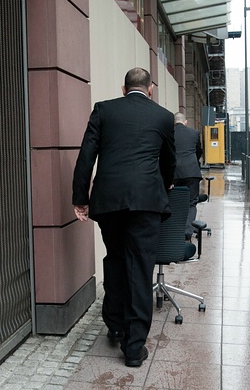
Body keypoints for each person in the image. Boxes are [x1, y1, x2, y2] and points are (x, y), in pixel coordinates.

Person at [72, 67, 176, 368]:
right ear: (151, 89)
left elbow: (86, 156)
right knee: (140, 268)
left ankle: (115, 325)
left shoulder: (104, 110)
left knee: (116, 260)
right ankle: (133, 348)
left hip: (109, 202)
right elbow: (169, 162)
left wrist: (80, 198)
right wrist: (163, 186)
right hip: (146, 203)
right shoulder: (163, 117)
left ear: (123, 88)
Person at [172, 111, 204, 241]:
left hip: (173, 173)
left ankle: (174, 230)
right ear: (186, 122)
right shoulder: (194, 133)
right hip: (191, 172)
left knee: (174, 202)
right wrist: (192, 162)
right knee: (191, 203)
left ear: (173, 122)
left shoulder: (168, 132)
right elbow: (198, 151)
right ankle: (187, 232)